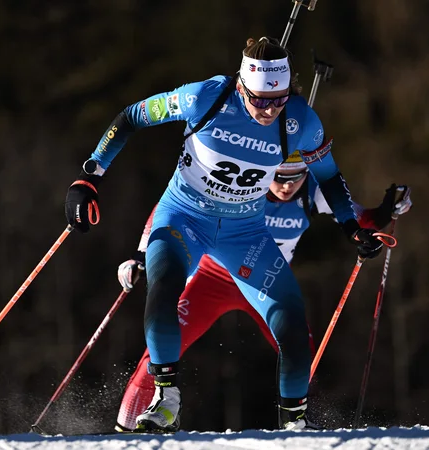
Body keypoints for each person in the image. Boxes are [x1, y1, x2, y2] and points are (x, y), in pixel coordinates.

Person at [64, 36, 391, 431]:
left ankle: (295, 428)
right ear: (241, 86)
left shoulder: (301, 121)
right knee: (163, 285)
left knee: (290, 321)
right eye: (259, 100)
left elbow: (330, 178)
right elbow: (133, 116)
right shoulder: (206, 97)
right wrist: (89, 177)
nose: (269, 110)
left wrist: (353, 228)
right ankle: (166, 399)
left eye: (279, 99)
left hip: (245, 234)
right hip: (185, 218)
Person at [113, 154, 412, 431]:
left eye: (295, 178)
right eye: (279, 177)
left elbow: (360, 221)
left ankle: (303, 428)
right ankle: (125, 431)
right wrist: (141, 255)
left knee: (303, 356)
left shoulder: (312, 192)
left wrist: (388, 208)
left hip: (265, 283)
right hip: (212, 280)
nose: (286, 186)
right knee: (159, 353)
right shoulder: (244, 183)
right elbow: (170, 205)